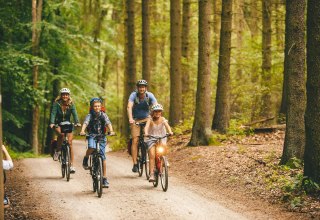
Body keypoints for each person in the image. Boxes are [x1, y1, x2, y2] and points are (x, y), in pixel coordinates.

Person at [80, 98, 115, 188]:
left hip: (102, 136)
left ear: (101, 107)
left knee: (103, 157)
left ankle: (104, 178)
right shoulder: (89, 115)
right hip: (92, 135)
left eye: (98, 106)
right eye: (95, 106)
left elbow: (108, 123)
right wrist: (82, 131)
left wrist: (111, 131)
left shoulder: (103, 115)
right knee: (91, 147)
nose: (97, 107)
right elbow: (85, 123)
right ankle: (86, 158)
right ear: (92, 107)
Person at [127, 79, 157, 172]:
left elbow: (156, 106)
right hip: (135, 120)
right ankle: (135, 163)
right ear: (137, 88)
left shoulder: (150, 95)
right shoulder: (133, 95)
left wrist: (155, 117)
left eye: (143, 87)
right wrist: (130, 118)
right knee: (135, 140)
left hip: (147, 119)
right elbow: (129, 107)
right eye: (140, 87)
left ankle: (154, 158)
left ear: (146, 88)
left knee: (149, 137)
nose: (141, 89)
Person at [49, 88, 81, 174]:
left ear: (69, 95)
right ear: (61, 95)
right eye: (63, 94)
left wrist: (77, 122)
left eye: (66, 94)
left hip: (68, 124)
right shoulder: (56, 104)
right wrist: (52, 122)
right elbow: (53, 113)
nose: (65, 96)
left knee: (70, 144)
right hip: (58, 124)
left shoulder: (71, 104)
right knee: (62, 135)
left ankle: (72, 166)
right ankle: (58, 151)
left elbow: (75, 114)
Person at [144, 104, 173, 182]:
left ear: (161, 112)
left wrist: (170, 132)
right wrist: (146, 133)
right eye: (156, 111)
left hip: (161, 137)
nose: (157, 113)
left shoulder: (163, 119)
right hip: (151, 138)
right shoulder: (150, 119)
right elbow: (146, 127)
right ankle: (152, 174)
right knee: (152, 155)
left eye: (159, 111)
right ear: (153, 112)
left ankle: (164, 159)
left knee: (163, 147)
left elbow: (167, 126)